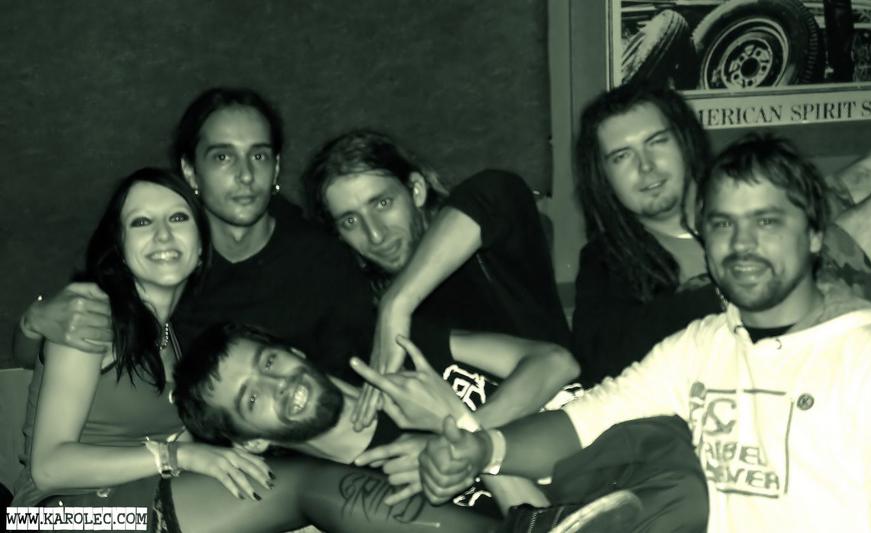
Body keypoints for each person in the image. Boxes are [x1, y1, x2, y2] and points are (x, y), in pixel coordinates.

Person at [418, 135, 871, 532]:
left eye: (767, 221)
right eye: (723, 224)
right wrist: (484, 448)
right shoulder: (705, 345)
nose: (742, 243)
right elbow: (591, 418)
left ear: (816, 235)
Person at [10, 167, 499, 533]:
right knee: (305, 485)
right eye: (141, 222)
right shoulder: (91, 316)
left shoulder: (173, 340)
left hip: (135, 501)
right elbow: (48, 468)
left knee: (305, 492)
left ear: (200, 245)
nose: (163, 235)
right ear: (118, 246)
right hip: (54, 518)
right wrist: (179, 457)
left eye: (178, 217)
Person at [571, 66, 871, 384]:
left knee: (858, 183)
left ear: (684, 140)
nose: (646, 166)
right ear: (602, 175)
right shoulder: (608, 261)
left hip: (841, 395)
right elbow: (605, 359)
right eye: (621, 157)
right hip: (737, 432)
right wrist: (742, 284)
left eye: (657, 142)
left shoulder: (758, 200)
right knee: (847, 221)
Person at [12, 87, 373, 379]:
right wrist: (34, 323)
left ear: (276, 168)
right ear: (190, 171)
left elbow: (359, 380)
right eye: (223, 157)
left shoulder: (323, 261)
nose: (246, 175)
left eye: (259, 156)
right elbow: (32, 360)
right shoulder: (163, 255)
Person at [301, 130, 572, 428]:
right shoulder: (363, 317)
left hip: (575, 417)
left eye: (382, 204)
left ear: (416, 190)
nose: (375, 234)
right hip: (483, 448)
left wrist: (396, 304)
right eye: (350, 221)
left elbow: (494, 191)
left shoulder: (483, 245)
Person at [171, 321, 579, 517]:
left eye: (269, 361)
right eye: (252, 398)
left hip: (608, 421)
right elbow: (552, 523)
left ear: (295, 351)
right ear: (252, 442)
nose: (279, 383)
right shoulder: (368, 498)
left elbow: (557, 363)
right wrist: (459, 432)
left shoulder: (400, 355)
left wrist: (460, 425)